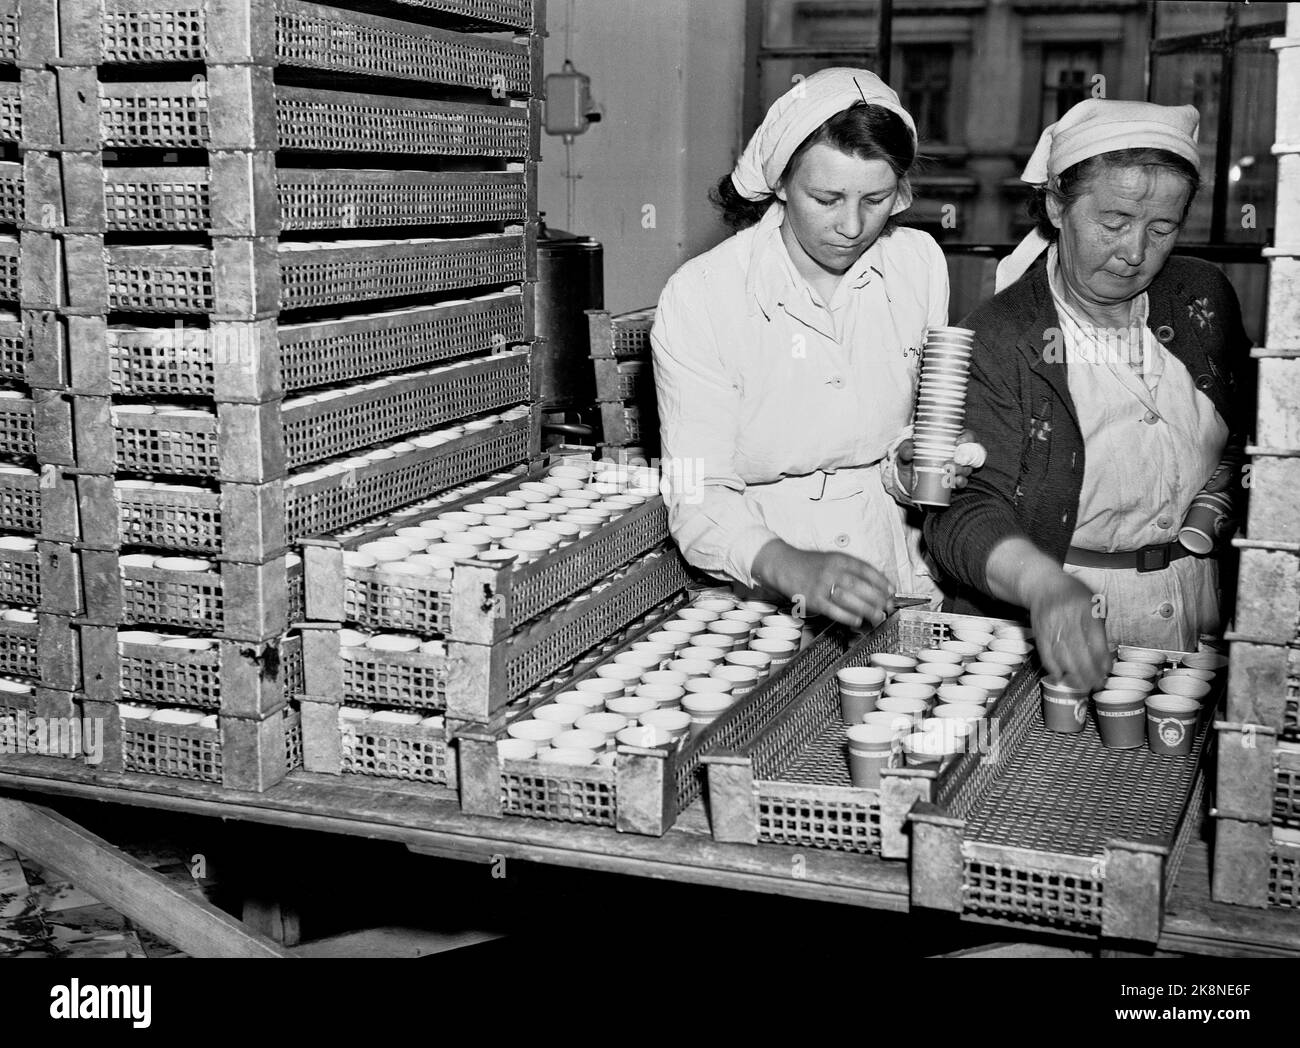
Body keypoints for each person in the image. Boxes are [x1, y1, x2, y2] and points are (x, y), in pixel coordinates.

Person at [923, 99, 1251, 690]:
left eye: (1162, 228)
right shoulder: (1004, 335)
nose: (1135, 252)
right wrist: (1045, 587)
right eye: (1115, 221)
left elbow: (1245, 435)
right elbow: (959, 511)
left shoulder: (1203, 299)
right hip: (1065, 619)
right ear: (1056, 204)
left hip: (1198, 601)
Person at [651, 69, 980, 630]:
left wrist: (913, 464)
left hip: (891, 571)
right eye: (826, 198)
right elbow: (698, 489)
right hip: (761, 590)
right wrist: (789, 566)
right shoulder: (703, 294)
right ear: (780, 183)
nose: (852, 226)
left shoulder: (917, 264)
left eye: (875, 199)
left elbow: (907, 433)